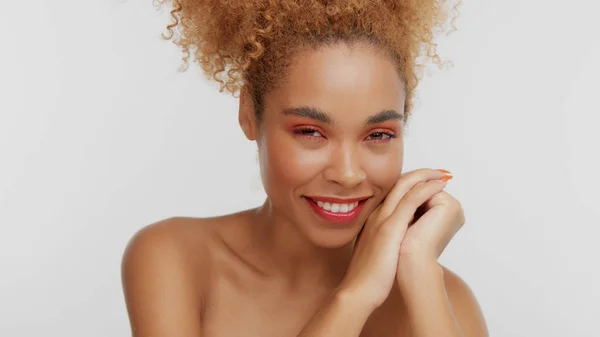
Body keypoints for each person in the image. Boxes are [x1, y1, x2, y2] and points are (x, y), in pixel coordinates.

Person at [121, 1, 489, 336]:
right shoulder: (176, 259)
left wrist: (419, 274)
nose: (348, 174)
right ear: (249, 114)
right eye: (310, 132)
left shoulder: (440, 297)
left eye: (378, 134)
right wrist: (356, 294)